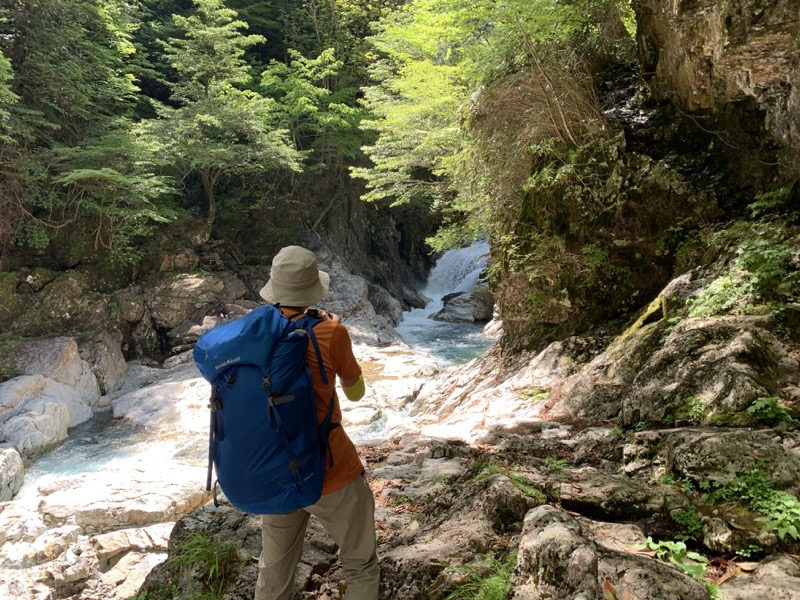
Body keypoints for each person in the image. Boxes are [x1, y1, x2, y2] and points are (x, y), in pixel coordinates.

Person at [254, 245, 379, 600]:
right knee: (360, 565)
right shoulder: (329, 332)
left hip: (277, 470)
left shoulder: (256, 336)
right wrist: (335, 334)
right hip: (329, 468)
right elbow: (356, 393)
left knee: (274, 573)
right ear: (312, 290)